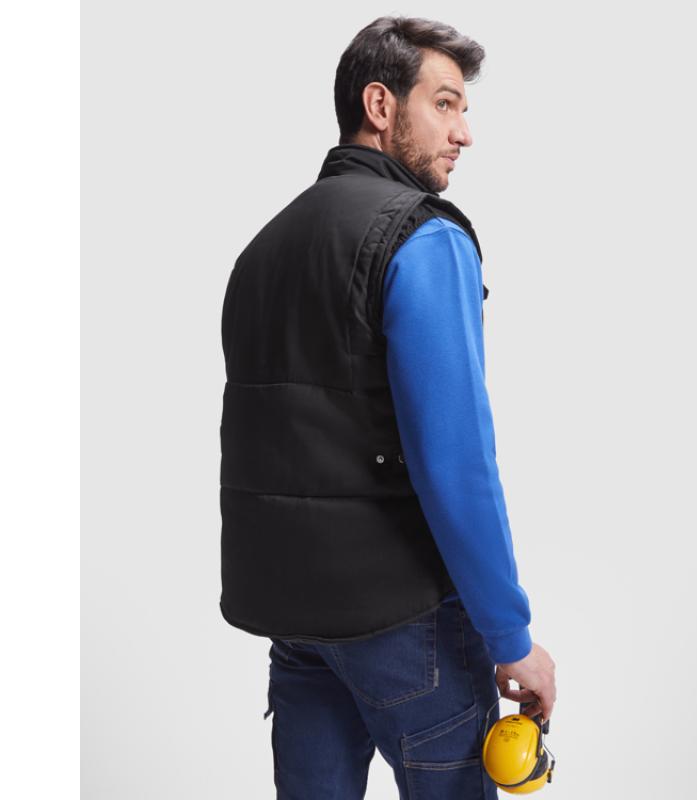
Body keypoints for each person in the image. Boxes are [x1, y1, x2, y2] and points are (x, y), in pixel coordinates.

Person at [219, 15, 556, 799]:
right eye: (445, 104)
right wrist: (511, 638)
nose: (464, 132)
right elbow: (456, 462)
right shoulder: (423, 239)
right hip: (408, 628)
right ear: (380, 105)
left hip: (295, 621)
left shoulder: (264, 249)